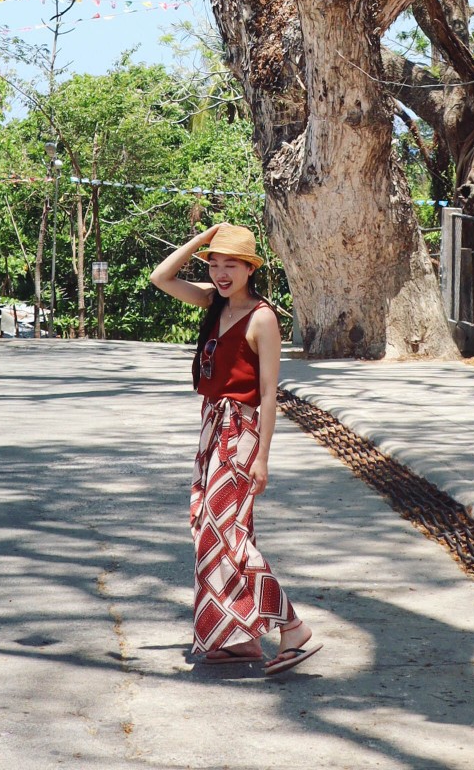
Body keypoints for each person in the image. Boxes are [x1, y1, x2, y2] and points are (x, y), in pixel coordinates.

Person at [150, 223, 317, 677]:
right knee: (208, 529)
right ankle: (237, 637)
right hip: (212, 427)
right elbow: (160, 278)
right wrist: (203, 239)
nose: (222, 274)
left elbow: (268, 393)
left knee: (229, 534)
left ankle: (292, 626)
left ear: (249, 269)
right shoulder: (212, 302)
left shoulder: (262, 317)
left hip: (240, 431)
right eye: (215, 265)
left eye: (231, 265)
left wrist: (262, 456)